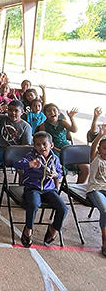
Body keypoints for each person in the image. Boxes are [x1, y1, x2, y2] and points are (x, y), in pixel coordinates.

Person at [14, 131, 68, 248]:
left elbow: (60, 172)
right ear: (34, 146)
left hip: (49, 189)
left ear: (51, 145)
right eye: (38, 145)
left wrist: (55, 175)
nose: (41, 147)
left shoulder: (54, 158)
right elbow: (17, 164)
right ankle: (28, 229)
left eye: (44, 144)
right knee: (33, 205)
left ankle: (53, 228)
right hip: (32, 188)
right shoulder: (31, 156)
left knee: (63, 208)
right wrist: (29, 164)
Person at [0, 100, 32, 196]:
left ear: (22, 112)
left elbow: (26, 146)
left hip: (16, 154)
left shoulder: (26, 127)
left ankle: (21, 189)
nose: (13, 113)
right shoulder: (4, 119)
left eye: (16, 111)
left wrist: (13, 151)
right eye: (10, 110)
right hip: (0, 150)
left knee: (22, 168)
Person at [37, 104, 88, 183]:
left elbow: (74, 130)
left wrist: (71, 117)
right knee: (55, 167)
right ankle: (56, 189)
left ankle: (77, 188)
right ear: (45, 114)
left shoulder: (62, 122)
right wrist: (57, 150)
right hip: (53, 149)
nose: (52, 112)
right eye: (48, 111)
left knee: (85, 168)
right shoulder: (43, 125)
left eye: (54, 110)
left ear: (59, 113)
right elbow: (44, 142)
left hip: (66, 147)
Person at [87, 124, 106, 257]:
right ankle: (105, 240)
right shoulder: (95, 158)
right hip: (95, 189)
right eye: (105, 148)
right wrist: (100, 135)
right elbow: (93, 147)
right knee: (105, 210)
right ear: (100, 149)